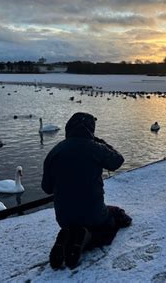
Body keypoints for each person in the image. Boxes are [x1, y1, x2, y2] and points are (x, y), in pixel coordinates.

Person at [42, 112, 132, 270]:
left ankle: (68, 236)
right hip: (93, 214)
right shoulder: (95, 148)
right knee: (112, 222)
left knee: (80, 219)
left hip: (64, 217)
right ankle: (85, 237)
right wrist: (100, 142)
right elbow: (118, 161)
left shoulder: (54, 152)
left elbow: (46, 188)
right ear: (91, 130)